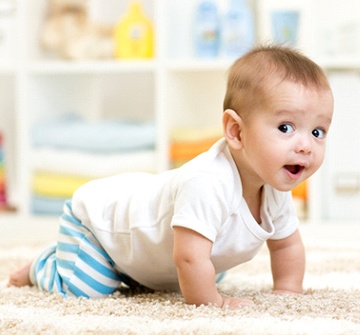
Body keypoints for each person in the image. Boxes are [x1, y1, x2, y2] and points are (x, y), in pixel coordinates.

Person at [8, 45, 334, 310]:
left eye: (317, 131)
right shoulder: (207, 181)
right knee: (87, 289)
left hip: (150, 257)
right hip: (100, 228)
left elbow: (286, 246)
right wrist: (213, 304)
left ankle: (136, 274)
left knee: (204, 270)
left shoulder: (273, 187)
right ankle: (44, 265)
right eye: (286, 128)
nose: (306, 146)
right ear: (236, 131)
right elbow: (188, 257)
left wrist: (288, 291)